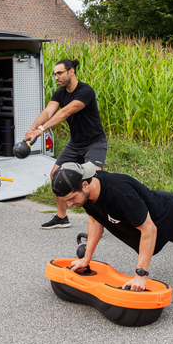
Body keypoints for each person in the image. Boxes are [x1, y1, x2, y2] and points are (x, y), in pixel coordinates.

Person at [51, 162, 173, 291]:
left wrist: (140, 274)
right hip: (150, 214)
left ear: (85, 184)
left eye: (70, 199)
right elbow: (96, 220)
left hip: (168, 215)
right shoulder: (86, 196)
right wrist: (86, 259)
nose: (69, 205)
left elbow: (149, 230)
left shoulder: (119, 193)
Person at [24, 59, 107, 229]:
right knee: (56, 175)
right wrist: (32, 129)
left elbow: (65, 112)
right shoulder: (59, 93)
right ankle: (62, 217)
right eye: (55, 74)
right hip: (75, 143)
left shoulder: (85, 91)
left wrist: (41, 130)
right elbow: (48, 111)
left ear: (71, 72)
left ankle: (99, 221)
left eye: (59, 73)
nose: (56, 77)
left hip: (94, 143)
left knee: (94, 179)